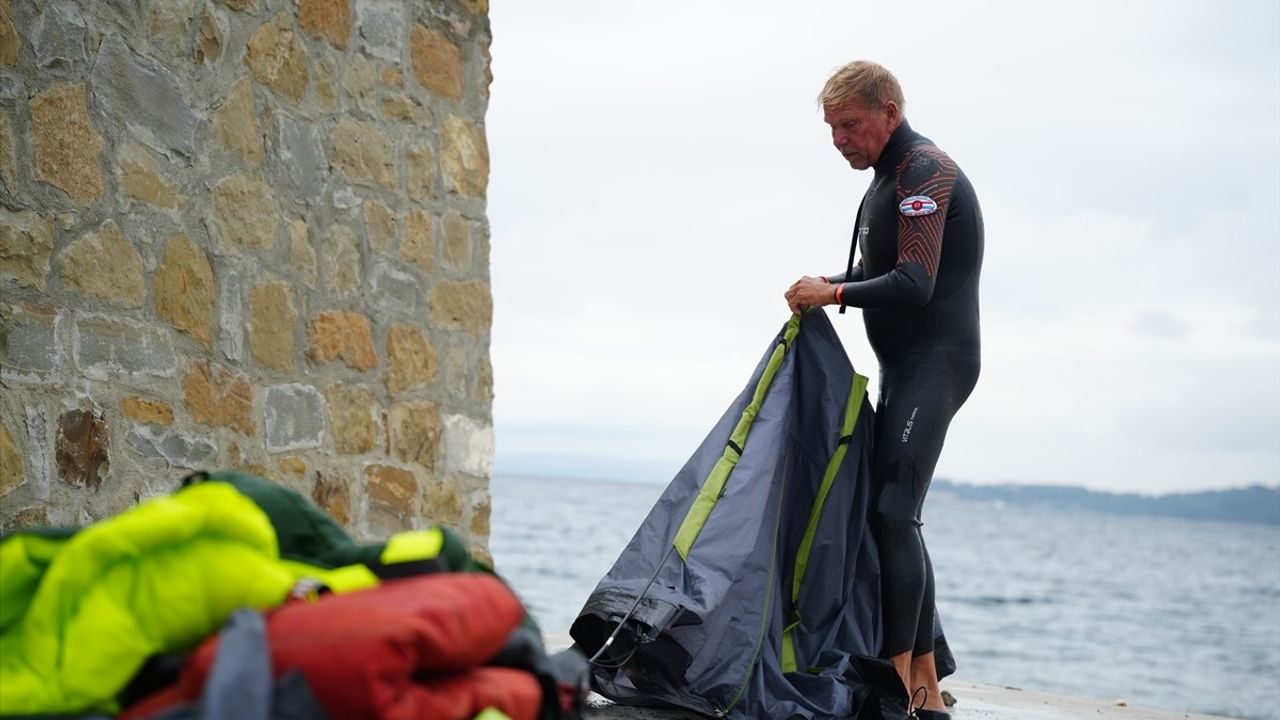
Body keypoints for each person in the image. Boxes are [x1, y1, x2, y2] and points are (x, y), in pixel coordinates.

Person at [784, 60, 983, 719]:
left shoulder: (924, 172)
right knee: (889, 513)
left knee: (895, 515)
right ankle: (925, 683)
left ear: (889, 113)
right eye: (831, 128)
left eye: (851, 124)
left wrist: (834, 292)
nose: (839, 138)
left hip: (937, 362)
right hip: (904, 365)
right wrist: (829, 284)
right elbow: (879, 270)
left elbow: (915, 282)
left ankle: (899, 682)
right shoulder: (883, 183)